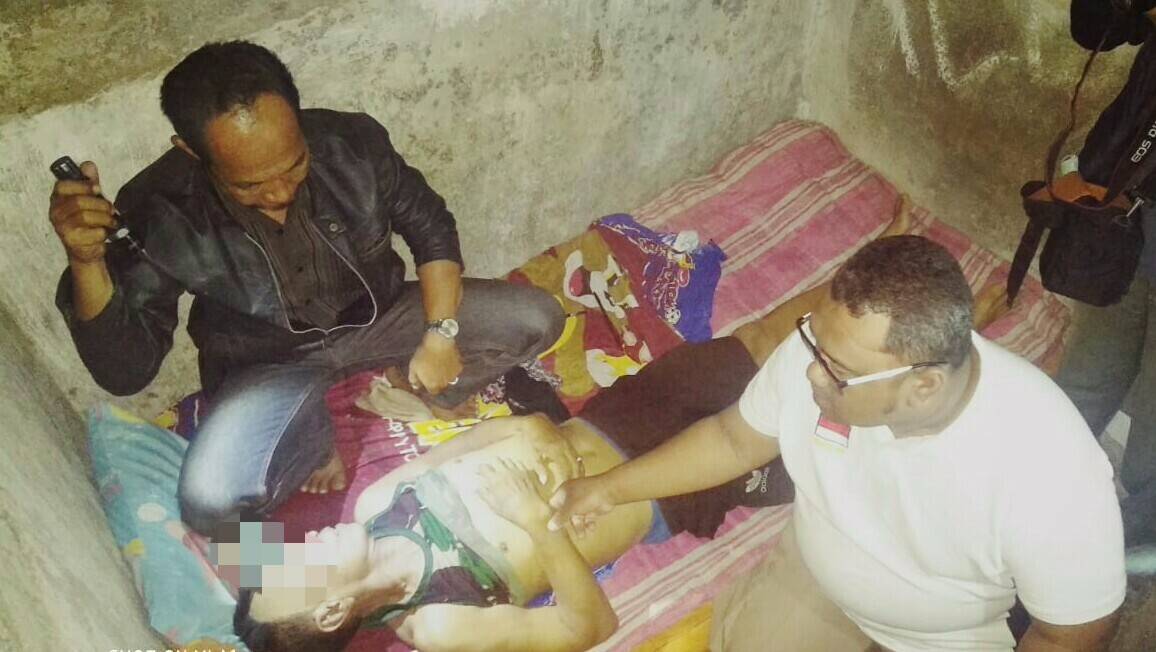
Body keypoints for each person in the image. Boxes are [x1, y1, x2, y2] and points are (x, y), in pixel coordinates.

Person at [47, 40, 565, 536]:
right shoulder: (159, 208)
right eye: (249, 184)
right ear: (191, 152)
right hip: (265, 360)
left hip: (377, 317)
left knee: (538, 318)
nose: (279, 193)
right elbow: (126, 372)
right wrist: (86, 261)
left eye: (294, 165)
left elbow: (431, 228)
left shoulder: (352, 144)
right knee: (210, 507)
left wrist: (440, 334)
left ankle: (419, 385)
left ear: (298, 118)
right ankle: (297, 499)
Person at [550, 235, 1127, 651]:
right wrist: (609, 489)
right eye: (815, 343)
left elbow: (1071, 633)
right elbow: (732, 438)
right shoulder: (823, 354)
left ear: (923, 386)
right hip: (817, 577)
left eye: (838, 369)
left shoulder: (1050, 471)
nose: (810, 372)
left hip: (941, 635)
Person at [1055, 0, 1156, 549]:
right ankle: (1030, 487)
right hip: (1132, 208)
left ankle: (1135, 545)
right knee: (1089, 372)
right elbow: (1095, 28)